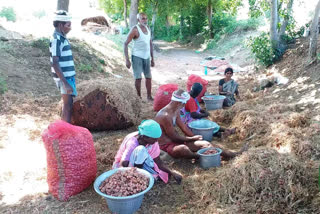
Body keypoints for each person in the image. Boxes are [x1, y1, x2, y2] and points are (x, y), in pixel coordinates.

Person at [155, 89, 247, 159]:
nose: (184, 105)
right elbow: (173, 137)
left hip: (176, 141)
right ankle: (200, 157)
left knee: (206, 144)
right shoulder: (165, 116)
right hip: (165, 145)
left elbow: (184, 128)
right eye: (184, 103)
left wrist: (194, 138)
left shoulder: (176, 110)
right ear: (179, 103)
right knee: (184, 149)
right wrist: (192, 138)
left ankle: (233, 154)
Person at [113, 119, 182, 184]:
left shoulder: (152, 143)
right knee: (141, 150)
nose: (156, 141)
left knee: (162, 174)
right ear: (144, 137)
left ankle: (141, 176)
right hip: (126, 166)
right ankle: (137, 176)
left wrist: (172, 173)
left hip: (140, 163)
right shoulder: (132, 143)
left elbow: (158, 162)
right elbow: (124, 164)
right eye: (154, 139)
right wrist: (123, 178)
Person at [50, 10, 77, 123]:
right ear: (61, 25)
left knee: (69, 105)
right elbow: (55, 62)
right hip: (64, 78)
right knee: (67, 106)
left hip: (68, 77)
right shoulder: (56, 39)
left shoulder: (62, 38)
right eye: (68, 25)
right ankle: (64, 131)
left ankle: (65, 129)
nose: (70, 28)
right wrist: (65, 83)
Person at [124, 12, 154, 101]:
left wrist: (152, 58)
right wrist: (127, 60)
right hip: (137, 56)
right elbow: (125, 44)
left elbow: (150, 43)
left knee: (148, 77)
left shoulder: (148, 28)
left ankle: (149, 96)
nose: (145, 20)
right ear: (138, 20)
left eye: (146, 18)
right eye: (143, 18)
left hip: (147, 57)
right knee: (138, 78)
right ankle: (138, 98)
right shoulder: (135, 30)